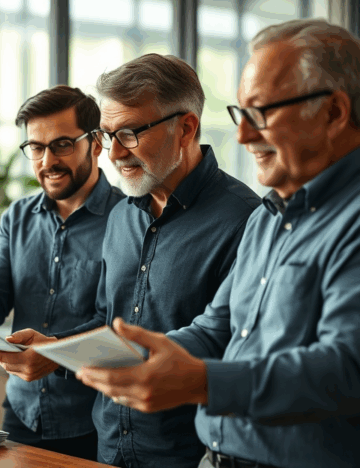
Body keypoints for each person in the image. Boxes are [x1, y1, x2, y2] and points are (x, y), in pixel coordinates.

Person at [76, 19, 360, 468]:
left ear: (334, 113)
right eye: (240, 115)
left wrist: (204, 382)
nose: (244, 136)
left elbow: (347, 368)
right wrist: (141, 355)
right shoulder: (270, 217)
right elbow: (217, 328)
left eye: (262, 113)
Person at [9, 55, 261, 467]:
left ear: (186, 128)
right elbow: (109, 323)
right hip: (108, 446)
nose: (113, 154)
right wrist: (55, 351)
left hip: (188, 454)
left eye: (129, 133)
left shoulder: (245, 220)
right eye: (108, 136)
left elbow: (229, 343)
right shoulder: (122, 214)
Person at [0, 85, 124, 461]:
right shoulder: (17, 218)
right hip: (23, 413)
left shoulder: (128, 220)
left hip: (94, 423)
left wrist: (55, 352)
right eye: (36, 147)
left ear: (96, 144)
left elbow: (117, 323)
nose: (47, 161)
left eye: (62, 144)